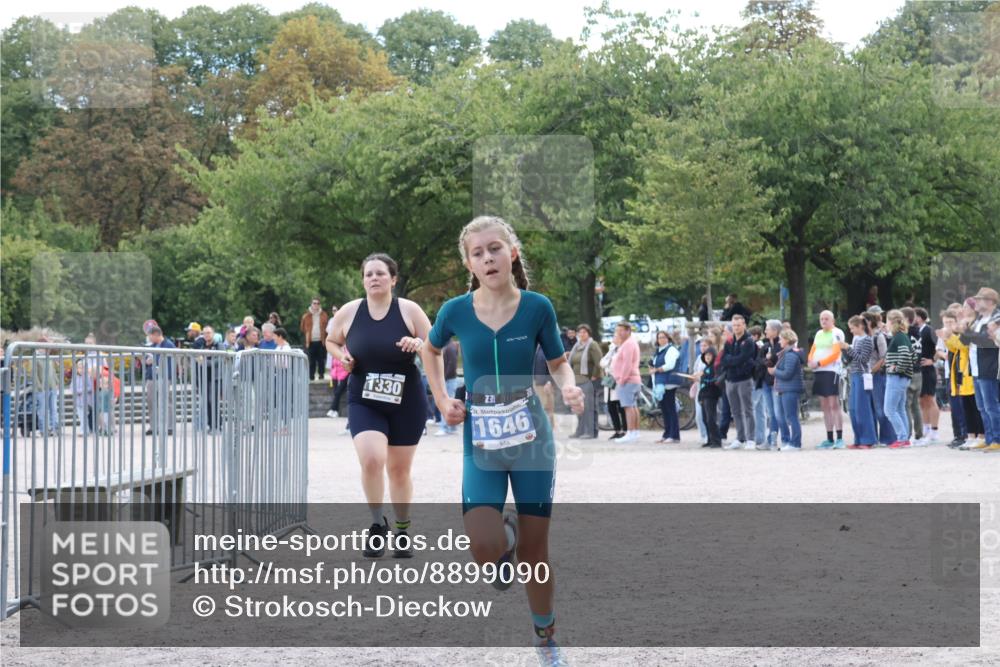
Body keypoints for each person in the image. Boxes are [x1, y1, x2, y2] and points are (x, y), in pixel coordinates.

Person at [424, 215, 584, 649]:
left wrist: (568, 386)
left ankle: (544, 627)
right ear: (469, 264)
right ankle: (505, 534)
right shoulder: (455, 311)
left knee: (534, 552)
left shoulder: (537, 307)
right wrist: (442, 399)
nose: (488, 258)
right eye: (477, 253)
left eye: (494, 248)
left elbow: (558, 362)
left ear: (512, 253)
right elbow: (431, 349)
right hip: (481, 442)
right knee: (483, 545)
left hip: (531, 441)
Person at [325, 254, 432, 559]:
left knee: (399, 470)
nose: (374, 278)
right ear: (363, 280)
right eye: (368, 274)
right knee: (372, 460)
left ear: (393, 279)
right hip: (365, 397)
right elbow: (331, 341)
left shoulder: (409, 310)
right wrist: (342, 356)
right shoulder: (350, 311)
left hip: (406, 400)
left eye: (380, 273)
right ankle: (377, 523)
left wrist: (419, 345)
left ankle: (402, 529)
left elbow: (434, 345)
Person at [960, 287, 1000, 452]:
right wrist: (965, 331)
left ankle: (997, 439)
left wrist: (969, 334)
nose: (976, 302)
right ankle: (989, 438)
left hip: (989, 367)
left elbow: (986, 341)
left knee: (991, 406)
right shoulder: (979, 320)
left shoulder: (996, 318)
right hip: (976, 367)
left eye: (980, 299)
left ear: (990, 302)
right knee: (982, 407)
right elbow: (965, 340)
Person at [942, 310, 984, 449]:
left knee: (976, 408)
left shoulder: (969, 332)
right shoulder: (960, 334)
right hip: (962, 375)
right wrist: (947, 339)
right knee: (967, 408)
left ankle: (980, 436)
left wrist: (951, 336)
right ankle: (970, 436)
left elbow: (963, 346)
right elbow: (954, 349)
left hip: (971, 374)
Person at [808, 310, 846, 449]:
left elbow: (836, 353)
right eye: (822, 319)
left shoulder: (837, 332)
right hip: (819, 372)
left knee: (833, 404)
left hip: (831, 371)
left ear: (832, 320)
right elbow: (813, 349)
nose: (823, 321)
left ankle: (840, 438)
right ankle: (829, 438)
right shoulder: (818, 333)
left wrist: (819, 363)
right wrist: (810, 360)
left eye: (826, 319)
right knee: (824, 405)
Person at [839, 315, 877, 449]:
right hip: (853, 375)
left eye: (853, 328)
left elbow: (863, 359)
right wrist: (845, 350)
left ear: (861, 326)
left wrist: (848, 348)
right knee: (853, 408)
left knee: (863, 408)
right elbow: (852, 358)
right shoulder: (856, 339)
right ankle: (858, 439)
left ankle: (868, 439)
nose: (851, 331)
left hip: (862, 375)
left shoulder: (867, 340)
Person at [722, 314, 757, 450]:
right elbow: (724, 359)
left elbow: (743, 358)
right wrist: (733, 361)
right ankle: (740, 437)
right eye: (734, 325)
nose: (736, 328)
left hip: (744, 379)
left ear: (744, 325)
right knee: (735, 411)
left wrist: (732, 360)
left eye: (738, 325)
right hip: (730, 380)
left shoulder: (748, 341)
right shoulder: (729, 342)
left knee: (748, 409)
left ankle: (751, 438)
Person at [863, 310, 896, 446]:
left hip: (877, 375)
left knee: (880, 408)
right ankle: (873, 438)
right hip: (866, 376)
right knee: (870, 409)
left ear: (869, 322)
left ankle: (888, 438)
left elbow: (884, 357)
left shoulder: (878, 336)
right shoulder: (864, 337)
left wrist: (871, 371)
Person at [884, 310, 916, 448]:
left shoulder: (898, 337)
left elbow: (906, 355)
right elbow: (914, 356)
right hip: (902, 378)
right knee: (900, 408)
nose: (885, 324)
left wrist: (896, 368)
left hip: (896, 377)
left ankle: (902, 437)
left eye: (886, 321)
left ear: (891, 322)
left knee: (889, 410)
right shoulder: (903, 336)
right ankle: (905, 438)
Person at [771, 329, 805, 450]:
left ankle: (795, 443)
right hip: (785, 389)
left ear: (786, 340)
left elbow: (787, 374)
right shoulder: (787, 353)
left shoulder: (790, 355)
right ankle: (792, 442)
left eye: (781, 339)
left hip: (790, 389)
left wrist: (774, 371)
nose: (779, 341)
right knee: (789, 417)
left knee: (792, 417)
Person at [568, 324, 603, 440]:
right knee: (579, 407)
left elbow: (599, 362)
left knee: (589, 406)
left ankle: (591, 431)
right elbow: (571, 362)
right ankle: (580, 430)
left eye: (584, 332)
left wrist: (594, 376)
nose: (582, 334)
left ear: (588, 333)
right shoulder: (577, 346)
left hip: (589, 380)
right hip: (577, 381)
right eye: (580, 332)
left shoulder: (592, 345)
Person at [610, 321, 642, 443]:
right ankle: (635, 432)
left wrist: (622, 379)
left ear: (628, 331)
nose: (619, 333)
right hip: (632, 379)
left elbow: (627, 363)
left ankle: (630, 432)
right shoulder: (630, 343)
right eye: (617, 331)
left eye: (621, 330)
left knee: (628, 407)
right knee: (633, 406)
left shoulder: (628, 344)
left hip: (627, 380)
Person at [650, 330, 682, 444]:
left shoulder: (671, 350)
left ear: (668, 338)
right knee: (664, 409)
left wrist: (656, 369)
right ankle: (667, 434)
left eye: (664, 337)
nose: (661, 339)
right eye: (659, 337)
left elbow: (670, 365)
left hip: (669, 382)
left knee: (670, 408)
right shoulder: (659, 351)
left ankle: (674, 435)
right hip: (661, 382)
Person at [143, 326, 175, 437]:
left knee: (165, 401)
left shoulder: (169, 345)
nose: (149, 338)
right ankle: (153, 427)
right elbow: (147, 359)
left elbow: (169, 362)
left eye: (150, 336)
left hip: (164, 377)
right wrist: (146, 361)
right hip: (151, 377)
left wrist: (154, 361)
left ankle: (169, 427)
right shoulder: (152, 346)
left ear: (156, 334)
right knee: (151, 402)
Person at [599, 331, 626, 440]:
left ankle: (625, 430)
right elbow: (602, 362)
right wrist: (609, 361)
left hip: (618, 380)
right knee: (611, 406)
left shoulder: (623, 349)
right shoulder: (612, 349)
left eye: (615, 336)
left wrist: (608, 364)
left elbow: (616, 365)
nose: (613, 338)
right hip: (609, 380)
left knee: (621, 406)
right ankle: (617, 430)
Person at [761, 320, 784, 449]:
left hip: (776, 382)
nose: (765, 331)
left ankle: (774, 440)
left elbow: (777, 361)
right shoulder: (765, 345)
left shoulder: (781, 345)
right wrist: (767, 359)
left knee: (777, 413)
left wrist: (770, 358)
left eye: (767, 329)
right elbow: (759, 361)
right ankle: (770, 439)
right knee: (770, 413)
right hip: (766, 381)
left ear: (775, 331)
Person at [696, 343, 723, 448]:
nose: (707, 357)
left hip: (711, 395)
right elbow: (702, 384)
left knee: (711, 418)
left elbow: (714, 380)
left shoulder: (715, 367)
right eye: (706, 355)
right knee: (705, 418)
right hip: (704, 394)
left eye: (709, 355)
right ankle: (710, 439)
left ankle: (716, 440)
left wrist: (704, 380)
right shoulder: (706, 368)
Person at [300, 298, 329, 381]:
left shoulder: (324, 315)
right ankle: (311, 376)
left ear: (320, 305)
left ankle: (321, 375)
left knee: (321, 360)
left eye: (317, 303)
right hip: (310, 341)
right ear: (311, 304)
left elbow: (327, 328)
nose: (316, 305)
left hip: (321, 341)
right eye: (314, 303)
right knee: (311, 360)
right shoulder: (306, 316)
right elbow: (302, 328)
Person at [533, 345, 557, 428]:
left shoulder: (547, 349)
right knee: (541, 407)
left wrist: (549, 382)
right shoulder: (536, 349)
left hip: (546, 384)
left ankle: (549, 428)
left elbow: (553, 367)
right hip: (537, 383)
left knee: (548, 407)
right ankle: (547, 427)